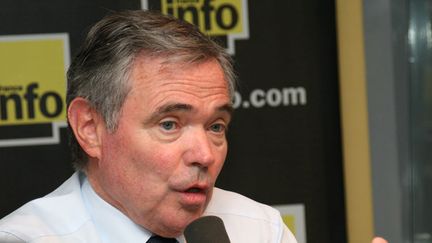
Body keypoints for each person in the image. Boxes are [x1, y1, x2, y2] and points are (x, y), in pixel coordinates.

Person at [0, 10, 297, 242]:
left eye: (216, 127)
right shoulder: (27, 239)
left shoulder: (261, 230)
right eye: (169, 125)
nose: (204, 155)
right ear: (90, 128)